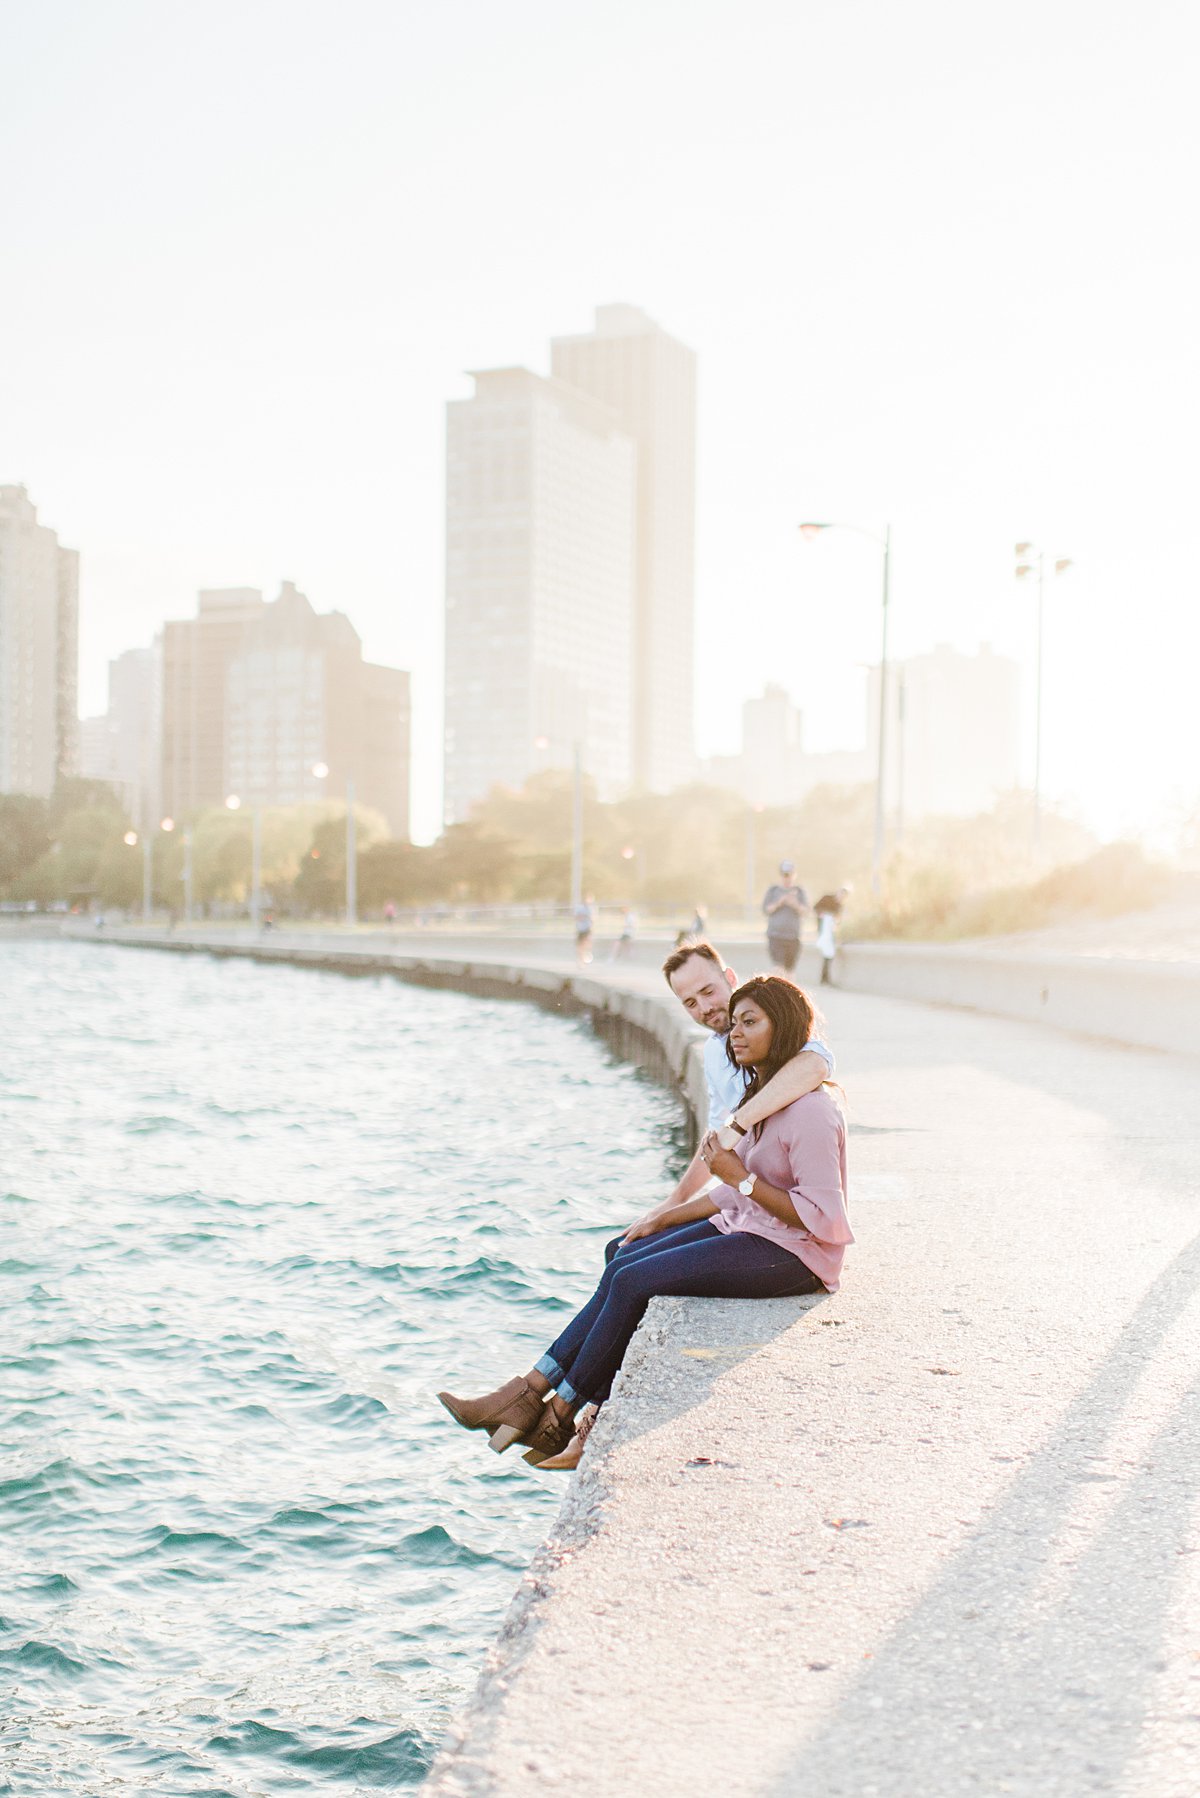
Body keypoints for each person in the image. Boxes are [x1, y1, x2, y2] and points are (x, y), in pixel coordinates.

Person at [447, 940, 836, 1471]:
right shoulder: (758, 1088)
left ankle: (563, 1414)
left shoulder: (808, 1106)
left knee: (633, 1280)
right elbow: (734, 1177)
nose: (731, 1033)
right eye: (697, 1006)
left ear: (779, 1027)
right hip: (754, 1223)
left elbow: (824, 1221)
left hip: (795, 1253)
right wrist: (667, 1211)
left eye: (748, 1022)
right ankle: (528, 1393)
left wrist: (740, 1177)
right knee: (624, 1251)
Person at [761, 861, 809, 973]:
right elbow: (766, 909)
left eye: (790, 875)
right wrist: (780, 902)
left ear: (794, 875)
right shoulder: (773, 891)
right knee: (778, 967)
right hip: (776, 936)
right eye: (785, 875)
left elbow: (805, 911)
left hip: (793, 937)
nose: (787, 878)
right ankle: (777, 990)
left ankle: (790, 990)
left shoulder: (800, 892)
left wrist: (794, 904)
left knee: (790, 970)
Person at [814, 886, 851, 986]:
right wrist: (821, 914)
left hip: (830, 932)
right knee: (827, 953)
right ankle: (824, 978)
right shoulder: (826, 898)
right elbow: (816, 908)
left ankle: (825, 978)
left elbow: (838, 920)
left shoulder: (839, 906)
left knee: (829, 954)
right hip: (823, 930)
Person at [573, 894, 596, 965]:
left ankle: (586, 957)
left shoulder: (591, 908)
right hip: (581, 929)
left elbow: (593, 918)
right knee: (580, 945)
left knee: (588, 943)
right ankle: (580, 960)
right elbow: (576, 917)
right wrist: (584, 917)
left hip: (588, 928)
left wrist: (591, 919)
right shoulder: (579, 907)